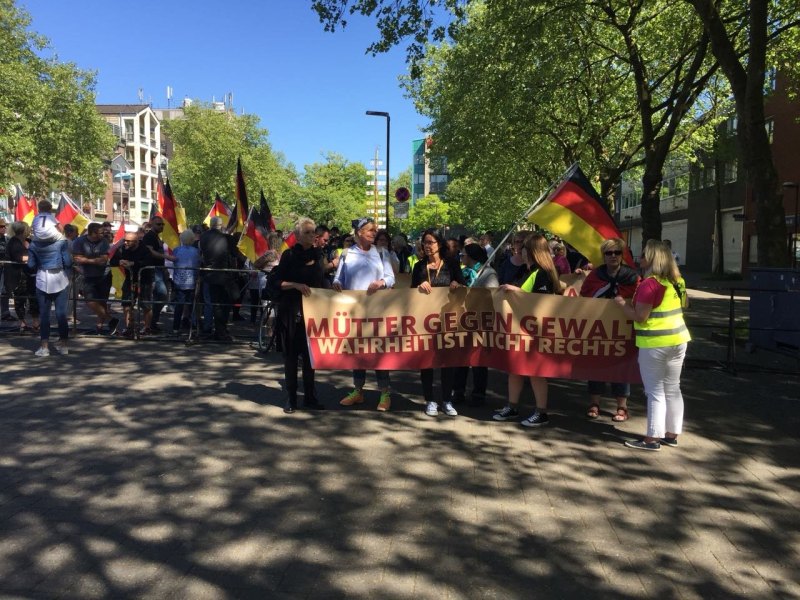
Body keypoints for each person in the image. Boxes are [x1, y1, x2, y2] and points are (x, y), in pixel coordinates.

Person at [616, 240, 691, 451]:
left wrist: (622, 304)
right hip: (678, 340)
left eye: (643, 255)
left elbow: (640, 316)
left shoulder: (650, 284)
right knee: (672, 388)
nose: (639, 259)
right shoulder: (677, 281)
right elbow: (684, 305)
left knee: (655, 391)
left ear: (652, 258)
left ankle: (652, 439)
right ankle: (671, 434)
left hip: (655, 343)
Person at [494, 232, 560, 427]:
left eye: (524, 247)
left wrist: (516, 292)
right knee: (514, 369)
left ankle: (541, 412)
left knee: (535, 372)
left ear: (532, 251)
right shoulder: (528, 271)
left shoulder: (543, 274)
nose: (520, 250)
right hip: (520, 329)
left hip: (536, 331)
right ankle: (512, 406)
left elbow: (539, 302)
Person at [333, 216, 396, 411]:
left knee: (379, 351)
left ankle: (385, 393)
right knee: (358, 352)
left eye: (375, 230)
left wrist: (381, 282)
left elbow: (391, 277)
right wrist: (336, 284)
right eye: (370, 230)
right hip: (355, 312)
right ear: (359, 232)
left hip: (377, 311)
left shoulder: (382, 253)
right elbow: (338, 278)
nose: (374, 233)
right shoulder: (346, 254)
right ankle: (358, 391)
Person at [580, 238, 640, 421]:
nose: (613, 256)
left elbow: (639, 299)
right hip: (598, 327)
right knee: (597, 364)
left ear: (622, 255)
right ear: (603, 256)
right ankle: (594, 403)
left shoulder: (632, 277)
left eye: (617, 252)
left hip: (622, 328)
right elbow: (584, 296)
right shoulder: (595, 276)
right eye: (609, 253)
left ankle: (622, 407)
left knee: (621, 366)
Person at [271, 217, 327, 413]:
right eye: (308, 232)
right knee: (291, 357)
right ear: (297, 235)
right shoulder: (289, 255)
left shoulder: (320, 255)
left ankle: (310, 397)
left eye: (314, 232)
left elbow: (322, 282)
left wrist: (333, 286)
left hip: (313, 314)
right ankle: (292, 398)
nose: (312, 236)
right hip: (291, 312)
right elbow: (276, 282)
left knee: (310, 358)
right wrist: (295, 285)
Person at [412, 228, 466, 417]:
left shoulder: (451, 264)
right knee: (427, 361)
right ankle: (430, 400)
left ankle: (447, 399)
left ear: (440, 244)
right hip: (425, 322)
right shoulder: (419, 267)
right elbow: (410, 293)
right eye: (425, 242)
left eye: (431, 242)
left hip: (447, 320)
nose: (427, 246)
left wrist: (456, 285)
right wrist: (419, 287)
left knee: (447, 361)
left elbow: (463, 286)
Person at [453, 243, 498, 407]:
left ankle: (479, 394)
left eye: (463, 255)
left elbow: (492, 295)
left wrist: (471, 292)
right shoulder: (461, 272)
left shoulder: (488, 273)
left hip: (480, 321)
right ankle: (458, 391)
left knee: (479, 360)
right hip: (463, 320)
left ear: (471, 257)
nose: (461, 258)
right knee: (461, 358)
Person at [27, 217, 73, 356]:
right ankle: (64, 346)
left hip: (42, 279)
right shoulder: (61, 242)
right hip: (60, 279)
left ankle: (44, 347)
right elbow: (68, 262)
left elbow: (31, 265)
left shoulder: (34, 244)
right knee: (61, 314)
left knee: (45, 315)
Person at [199, 217, 241, 341]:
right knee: (225, 304)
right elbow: (235, 253)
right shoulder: (226, 238)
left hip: (210, 275)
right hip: (224, 275)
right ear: (221, 225)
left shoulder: (203, 237)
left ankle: (219, 330)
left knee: (216, 304)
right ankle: (221, 331)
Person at [72, 223, 118, 334]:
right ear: (92, 233)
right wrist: (94, 261)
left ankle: (100, 326)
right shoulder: (79, 241)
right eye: (101, 232)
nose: (104, 234)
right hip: (88, 275)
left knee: (102, 301)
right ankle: (111, 319)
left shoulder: (104, 242)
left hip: (104, 275)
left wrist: (86, 260)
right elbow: (77, 258)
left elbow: (103, 260)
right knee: (90, 300)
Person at [109, 231, 152, 338]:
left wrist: (133, 263)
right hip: (129, 279)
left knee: (146, 305)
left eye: (128, 241)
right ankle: (129, 327)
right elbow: (112, 260)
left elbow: (148, 262)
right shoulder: (122, 248)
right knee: (126, 304)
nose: (126, 243)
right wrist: (120, 262)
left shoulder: (144, 249)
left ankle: (147, 327)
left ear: (136, 241)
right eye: (125, 240)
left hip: (144, 280)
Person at [4, 221, 39, 332]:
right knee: (20, 299)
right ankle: (22, 323)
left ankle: (35, 322)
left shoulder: (29, 241)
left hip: (31, 274)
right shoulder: (14, 242)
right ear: (23, 230)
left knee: (34, 298)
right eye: (28, 228)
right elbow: (19, 257)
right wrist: (34, 257)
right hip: (18, 276)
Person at [140, 216, 170, 332]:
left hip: (159, 269)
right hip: (153, 270)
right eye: (158, 224)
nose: (161, 226)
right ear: (151, 224)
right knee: (162, 295)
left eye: (162, 224)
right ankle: (150, 322)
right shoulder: (149, 236)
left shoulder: (156, 236)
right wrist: (167, 257)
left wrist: (164, 267)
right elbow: (151, 252)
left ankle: (152, 322)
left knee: (161, 296)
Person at [170, 229, 201, 335]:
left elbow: (175, 263)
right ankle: (193, 327)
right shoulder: (196, 251)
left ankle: (175, 327)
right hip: (192, 280)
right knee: (192, 304)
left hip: (179, 281)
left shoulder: (177, 250)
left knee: (179, 305)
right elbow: (198, 264)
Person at [0, 218, 12, 321]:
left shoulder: (7, 239)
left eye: (4, 226)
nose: (3, 228)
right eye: (1, 226)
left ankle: (5, 313)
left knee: (4, 291)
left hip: (5, 269)